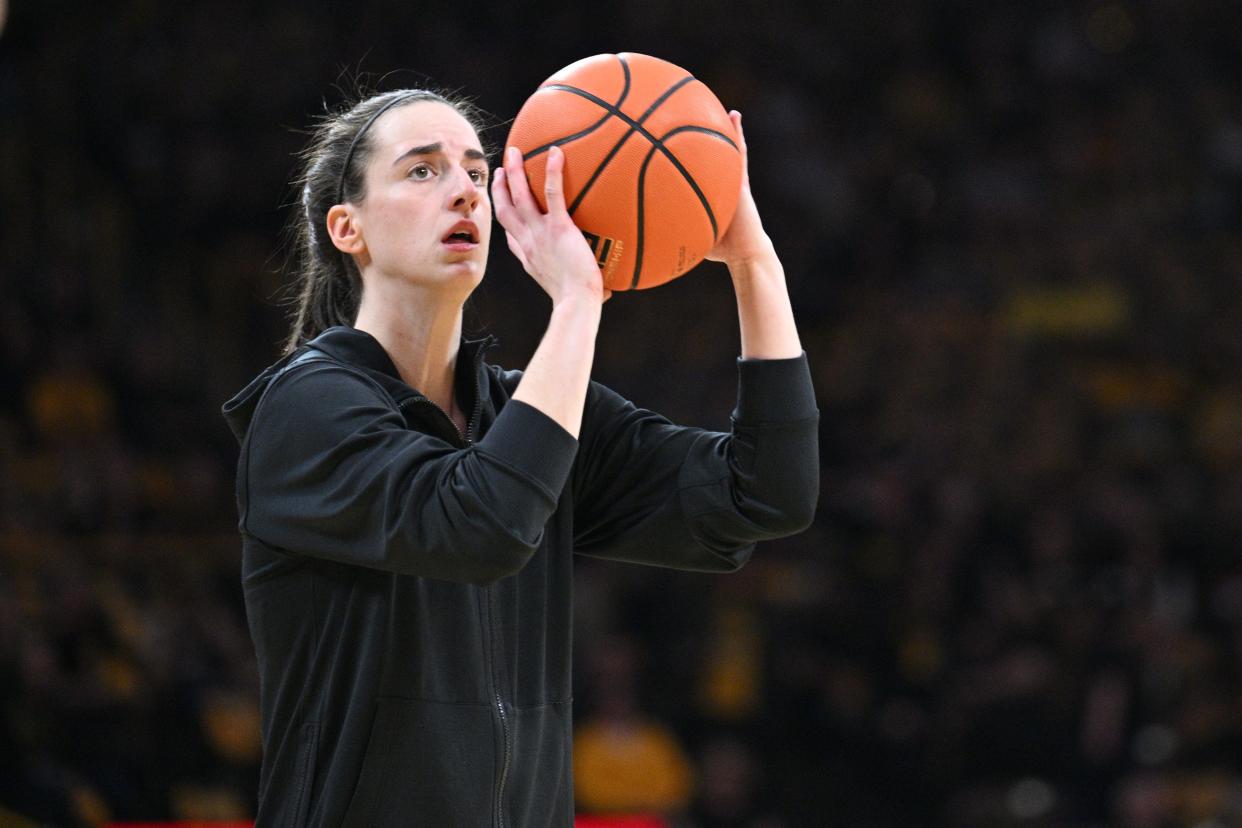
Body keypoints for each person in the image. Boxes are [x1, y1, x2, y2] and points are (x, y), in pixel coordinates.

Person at [221, 87, 819, 827]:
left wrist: (753, 260)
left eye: (476, 173)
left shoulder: (527, 412)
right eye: (422, 171)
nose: (464, 193)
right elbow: (482, 524)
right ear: (348, 228)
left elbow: (764, 496)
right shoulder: (306, 409)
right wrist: (576, 304)